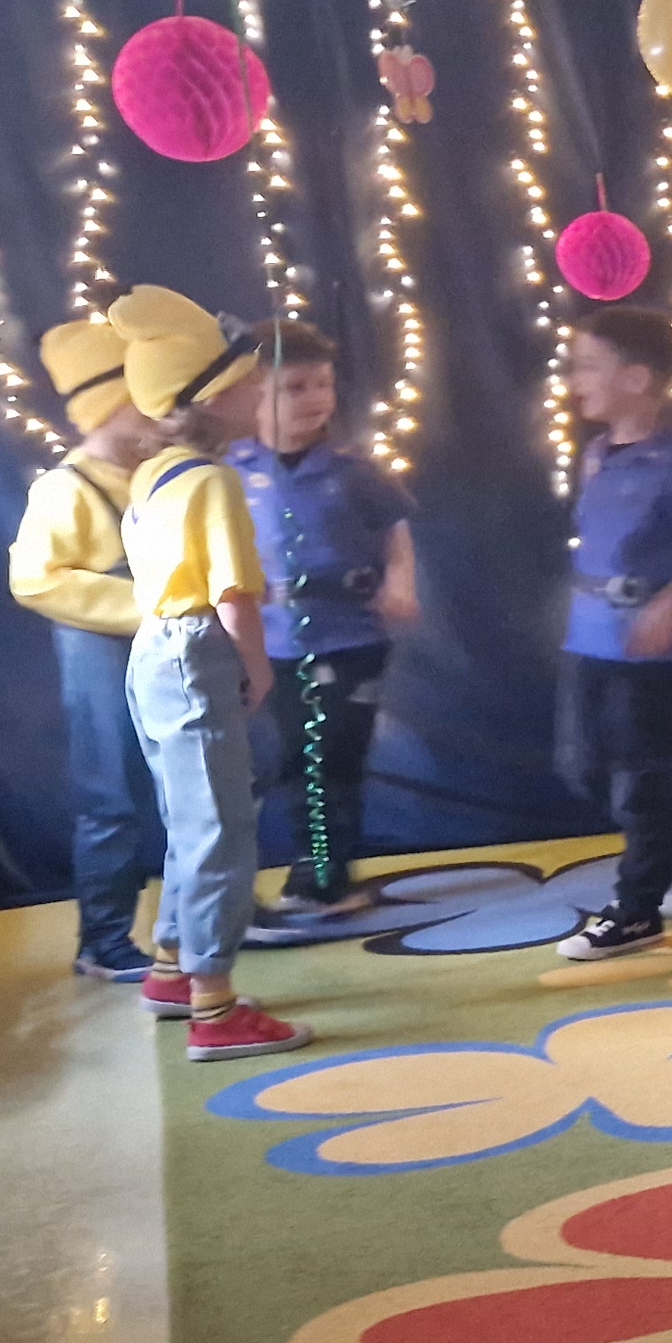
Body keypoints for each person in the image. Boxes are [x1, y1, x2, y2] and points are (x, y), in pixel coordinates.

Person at [103, 286, 306, 1061]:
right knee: (221, 828)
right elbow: (232, 595)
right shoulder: (213, 482)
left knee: (189, 821)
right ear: (214, 398)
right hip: (195, 652)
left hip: (153, 652)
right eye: (250, 384)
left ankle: (170, 968)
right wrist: (256, 667)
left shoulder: (152, 476)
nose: (260, 394)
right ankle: (213, 1007)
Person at [554, 308, 672, 963]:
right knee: (581, 765)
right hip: (589, 635)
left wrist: (669, 609)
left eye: (588, 367)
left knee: (639, 774)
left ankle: (637, 910)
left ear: (636, 378)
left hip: (651, 647)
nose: (575, 381)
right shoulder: (595, 456)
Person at [229, 321, 418, 940]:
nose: (315, 399)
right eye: (295, 387)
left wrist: (401, 583)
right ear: (254, 394)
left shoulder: (352, 469)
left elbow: (395, 528)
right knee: (294, 756)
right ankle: (309, 870)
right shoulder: (231, 469)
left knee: (335, 752)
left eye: (324, 385)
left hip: (350, 635)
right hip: (271, 640)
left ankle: (325, 878)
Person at [6, 318, 164, 984]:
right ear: (108, 407)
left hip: (174, 643)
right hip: (104, 650)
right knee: (113, 794)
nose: (161, 413)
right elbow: (34, 579)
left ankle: (219, 912)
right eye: (146, 400)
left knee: (204, 783)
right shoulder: (65, 488)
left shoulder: (159, 474)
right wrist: (148, 605)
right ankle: (104, 939)